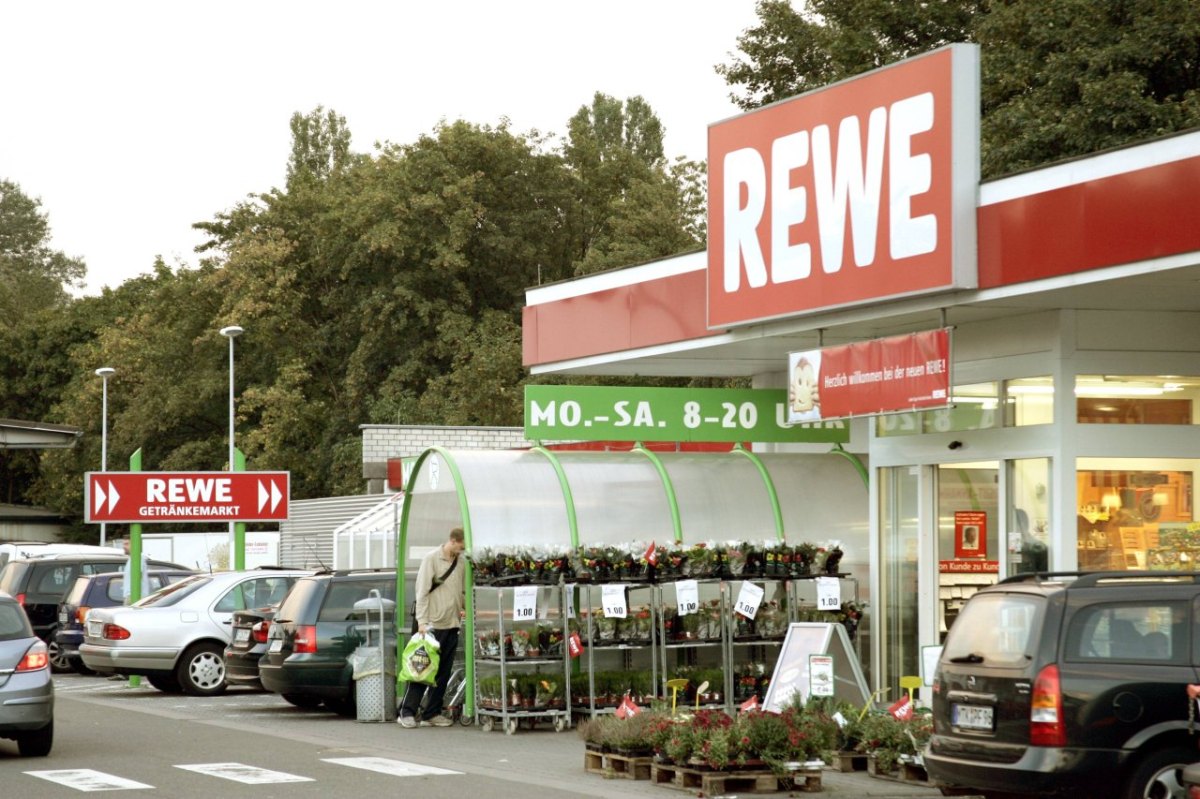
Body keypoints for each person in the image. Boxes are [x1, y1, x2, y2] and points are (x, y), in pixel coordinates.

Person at [398, 527, 465, 728]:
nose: (461, 552)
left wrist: (466, 608)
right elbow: (422, 592)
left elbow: (460, 592)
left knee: (443, 672)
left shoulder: (460, 562)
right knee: (421, 669)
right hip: (430, 626)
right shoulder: (431, 559)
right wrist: (422, 622)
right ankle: (406, 712)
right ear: (452, 540)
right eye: (460, 547)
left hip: (451, 624)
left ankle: (432, 712)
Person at [120, 538, 149, 605]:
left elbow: (138, 575)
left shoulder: (138, 558)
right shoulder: (131, 559)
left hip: (135, 597)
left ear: (134, 544)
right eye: (123, 544)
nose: (124, 547)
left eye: (127, 544)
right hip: (130, 596)